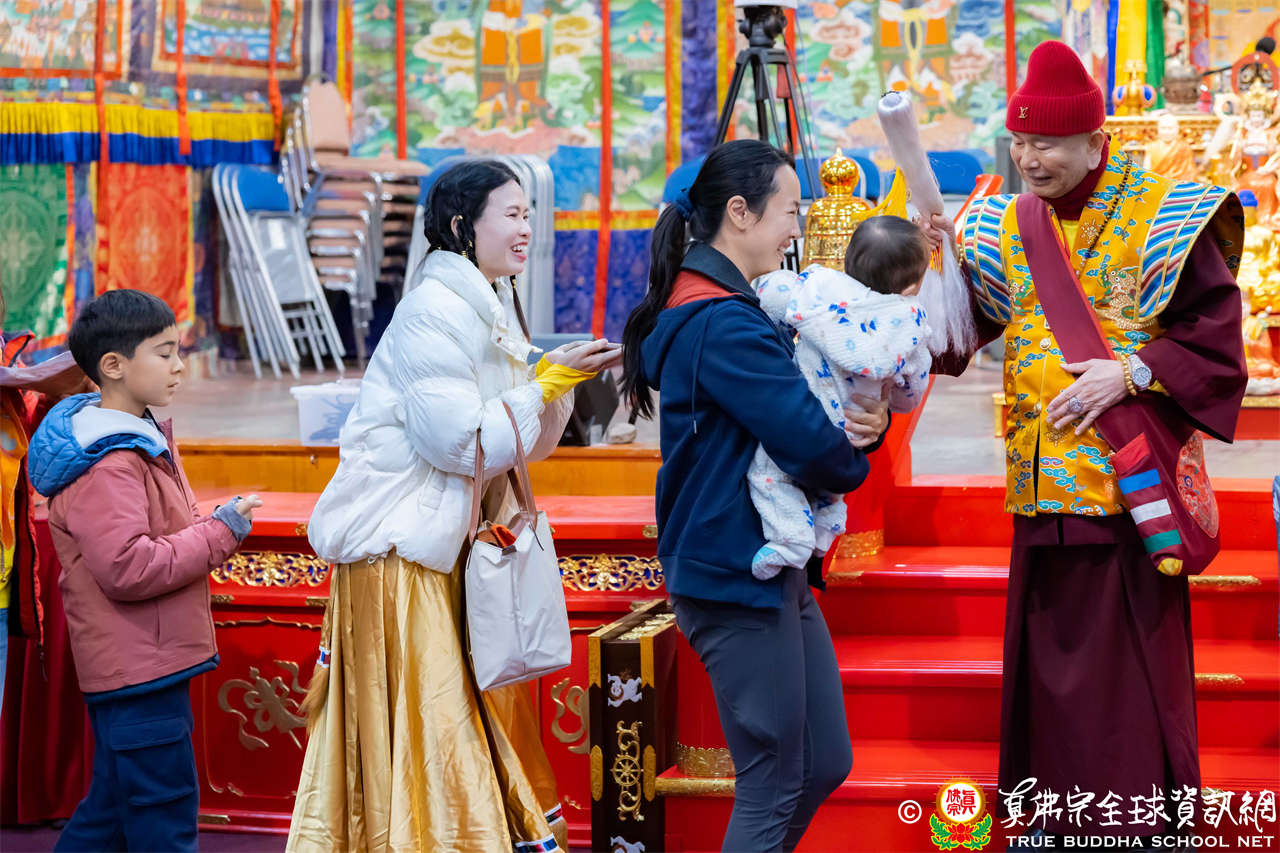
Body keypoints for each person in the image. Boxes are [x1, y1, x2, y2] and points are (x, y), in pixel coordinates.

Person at [926, 41, 1247, 844]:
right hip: (1042, 493)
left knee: (1129, 689)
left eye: (1048, 144)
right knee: (1045, 682)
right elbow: (955, 339)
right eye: (1020, 142)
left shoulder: (1165, 217)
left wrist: (1131, 372)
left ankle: (1136, 831)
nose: (1029, 159)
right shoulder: (1003, 224)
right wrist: (936, 265)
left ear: (1097, 142)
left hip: (1127, 497)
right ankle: (1052, 829)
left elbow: (1216, 342)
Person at [288, 160, 620, 853]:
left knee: (456, 720)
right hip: (401, 557)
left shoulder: (483, 306)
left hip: (445, 548)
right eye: (512, 214)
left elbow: (517, 447)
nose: (526, 228)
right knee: (435, 727)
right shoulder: (432, 311)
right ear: (465, 226)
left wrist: (554, 382)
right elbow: (460, 442)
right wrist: (542, 384)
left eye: (529, 213)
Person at [621, 139, 891, 851]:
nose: (797, 229)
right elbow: (807, 439)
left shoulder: (725, 304)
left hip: (765, 563)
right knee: (773, 781)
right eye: (791, 211)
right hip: (733, 569)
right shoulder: (723, 321)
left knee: (823, 761)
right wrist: (857, 447)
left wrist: (862, 428)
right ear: (739, 213)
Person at [24, 289, 259, 852]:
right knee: (163, 818)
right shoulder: (109, 460)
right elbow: (129, 567)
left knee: (111, 812)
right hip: (137, 668)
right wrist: (222, 531)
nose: (179, 366)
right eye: (164, 353)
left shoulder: (132, 436)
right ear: (114, 365)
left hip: (140, 662)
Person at [749, 215, 932, 580]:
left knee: (768, 472)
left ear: (847, 262)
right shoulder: (909, 322)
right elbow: (912, 390)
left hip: (807, 413)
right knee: (831, 485)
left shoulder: (819, 288)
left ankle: (790, 540)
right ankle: (823, 533)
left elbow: (773, 292)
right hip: (852, 426)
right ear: (913, 286)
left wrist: (757, 289)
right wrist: (893, 403)